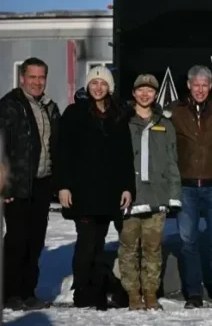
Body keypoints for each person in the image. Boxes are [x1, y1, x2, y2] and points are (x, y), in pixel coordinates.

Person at [55, 66, 135, 310]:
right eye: (94, 83)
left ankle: (95, 289)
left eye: (103, 83)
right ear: (88, 86)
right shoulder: (74, 113)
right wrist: (63, 186)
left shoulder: (118, 114)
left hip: (108, 192)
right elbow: (62, 151)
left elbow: (125, 155)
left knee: (99, 244)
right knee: (86, 243)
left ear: (109, 87)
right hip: (82, 192)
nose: (98, 88)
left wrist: (127, 187)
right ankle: (82, 291)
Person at [168, 65, 212, 309]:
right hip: (186, 186)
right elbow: (169, 148)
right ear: (188, 85)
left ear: (211, 86)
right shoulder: (175, 110)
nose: (200, 90)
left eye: (204, 85)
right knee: (189, 242)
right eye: (196, 85)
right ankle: (194, 294)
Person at [0, 57, 61, 311]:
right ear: (22, 78)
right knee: (17, 240)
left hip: (42, 183)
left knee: (35, 241)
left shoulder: (49, 107)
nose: (37, 82)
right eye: (32, 77)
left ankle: (27, 292)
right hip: (17, 185)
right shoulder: (10, 105)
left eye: (41, 77)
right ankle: (9, 293)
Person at [118, 74, 181, 311]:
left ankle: (151, 293)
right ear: (134, 93)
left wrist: (173, 194)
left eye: (150, 91)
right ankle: (133, 295)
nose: (145, 94)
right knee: (128, 250)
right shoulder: (122, 121)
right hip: (129, 198)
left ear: (156, 95)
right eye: (141, 90)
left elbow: (172, 160)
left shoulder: (165, 124)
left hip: (157, 196)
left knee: (153, 249)